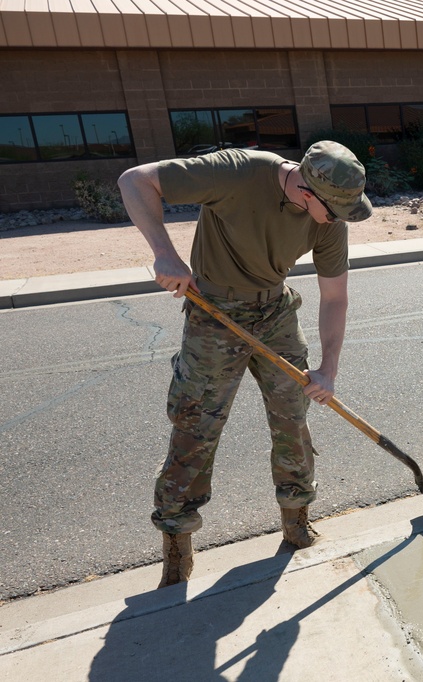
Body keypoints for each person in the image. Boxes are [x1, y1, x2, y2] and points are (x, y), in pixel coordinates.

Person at [117, 140, 372, 588]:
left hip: (275, 311)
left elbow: (335, 298)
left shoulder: (332, 219)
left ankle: (296, 518)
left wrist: (328, 370)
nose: (338, 219)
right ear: (307, 192)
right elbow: (136, 180)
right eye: (333, 210)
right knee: (196, 426)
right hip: (213, 314)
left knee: (293, 416)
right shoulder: (237, 171)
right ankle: (177, 543)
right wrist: (165, 253)